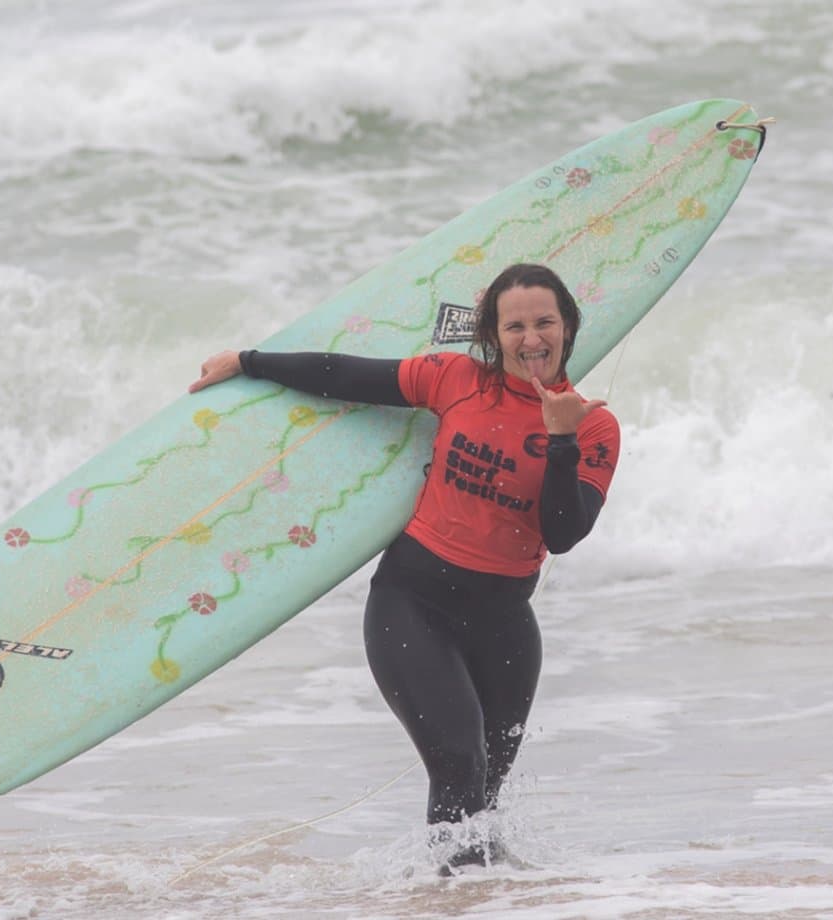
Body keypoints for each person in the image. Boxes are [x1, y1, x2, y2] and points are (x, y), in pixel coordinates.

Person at [189, 263, 619, 873]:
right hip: (414, 604)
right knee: (458, 763)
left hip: (505, 621)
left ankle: (476, 900)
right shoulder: (455, 378)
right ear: (493, 335)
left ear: (568, 326)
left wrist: (561, 441)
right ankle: (455, 898)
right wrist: (249, 360)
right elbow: (345, 375)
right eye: (514, 325)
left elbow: (563, 532)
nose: (531, 339)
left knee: (487, 800)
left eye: (545, 322)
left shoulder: (594, 426)